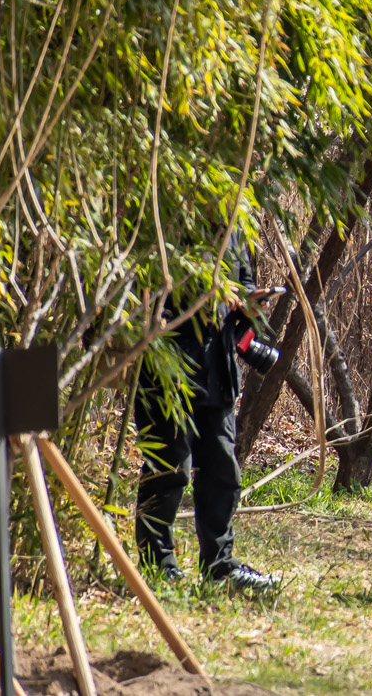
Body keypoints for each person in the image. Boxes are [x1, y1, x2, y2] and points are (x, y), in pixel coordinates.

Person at [134, 233, 280, 591]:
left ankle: (220, 567)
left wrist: (249, 304)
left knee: (222, 469)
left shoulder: (234, 228)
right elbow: (148, 290)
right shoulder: (169, 219)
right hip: (167, 365)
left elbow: (243, 285)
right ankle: (158, 568)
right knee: (169, 468)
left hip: (218, 367)